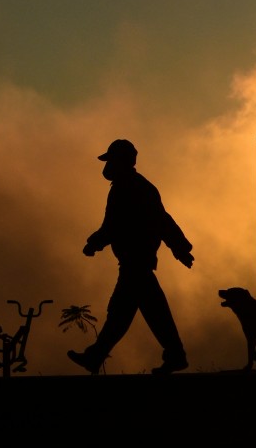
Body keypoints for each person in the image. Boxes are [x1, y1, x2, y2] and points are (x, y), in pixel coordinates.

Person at [67, 138, 194, 375]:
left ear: (121, 162)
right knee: (136, 312)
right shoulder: (136, 186)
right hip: (136, 261)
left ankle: (96, 356)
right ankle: (174, 355)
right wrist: (180, 248)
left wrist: (94, 243)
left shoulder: (129, 188)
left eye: (111, 160)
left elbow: (118, 224)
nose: (107, 166)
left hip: (135, 260)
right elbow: (161, 220)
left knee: (124, 312)